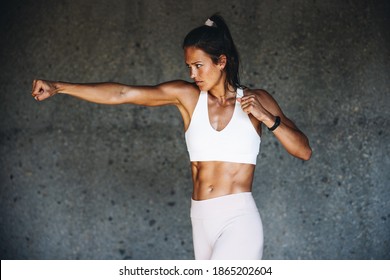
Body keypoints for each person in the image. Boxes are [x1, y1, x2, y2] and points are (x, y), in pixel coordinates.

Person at [31, 14, 312, 260]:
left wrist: (267, 118)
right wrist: (58, 87)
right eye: (188, 66)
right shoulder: (187, 97)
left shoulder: (257, 100)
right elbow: (123, 93)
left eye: (198, 66)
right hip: (200, 220)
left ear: (221, 61)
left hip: (239, 220)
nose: (192, 73)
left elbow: (303, 151)